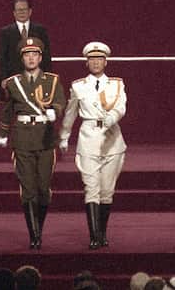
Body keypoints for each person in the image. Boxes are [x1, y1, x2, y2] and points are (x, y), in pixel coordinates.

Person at [59, 42, 128, 249]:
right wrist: (64, 136)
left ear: (106, 61)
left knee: (107, 191)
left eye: (99, 59)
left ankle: (102, 232)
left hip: (111, 140)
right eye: (92, 59)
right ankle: (94, 236)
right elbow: (70, 113)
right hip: (88, 138)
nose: (96, 62)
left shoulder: (116, 84)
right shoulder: (78, 86)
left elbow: (121, 106)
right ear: (86, 62)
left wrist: (113, 117)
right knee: (91, 189)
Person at [0, 36, 64, 248]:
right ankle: (34, 235)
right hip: (23, 139)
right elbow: (9, 109)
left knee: (43, 189)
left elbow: (61, 101)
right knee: (28, 190)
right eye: (27, 54)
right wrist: (3, 132)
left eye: (35, 54)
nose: (31, 58)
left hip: (45, 138)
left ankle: (39, 228)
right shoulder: (13, 83)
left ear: (41, 57)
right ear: (22, 58)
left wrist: (55, 110)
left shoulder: (52, 80)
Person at [0, 0, 52, 78]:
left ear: (30, 11)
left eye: (24, 9)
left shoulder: (41, 30)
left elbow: (46, 56)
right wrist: (4, 78)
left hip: (38, 77)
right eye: (19, 10)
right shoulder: (5, 32)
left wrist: (47, 76)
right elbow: (3, 59)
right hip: (14, 78)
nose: (22, 12)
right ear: (14, 13)